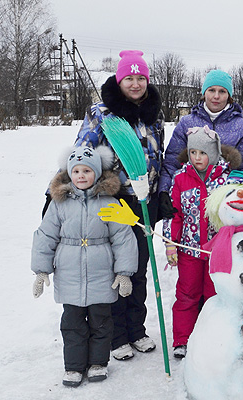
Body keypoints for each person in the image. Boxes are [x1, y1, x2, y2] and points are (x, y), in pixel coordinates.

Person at [73, 50, 164, 361]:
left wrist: (159, 193)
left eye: (141, 78)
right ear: (119, 80)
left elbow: (159, 155)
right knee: (116, 268)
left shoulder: (154, 113)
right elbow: (82, 154)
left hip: (145, 202)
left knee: (139, 268)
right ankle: (116, 335)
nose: (135, 84)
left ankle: (136, 329)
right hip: (112, 203)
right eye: (129, 78)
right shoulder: (102, 114)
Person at [31, 145, 138, 387]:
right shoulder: (59, 205)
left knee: (101, 322)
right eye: (76, 171)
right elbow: (46, 236)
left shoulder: (109, 202)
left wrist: (124, 273)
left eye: (87, 171)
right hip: (69, 275)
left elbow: (123, 238)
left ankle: (98, 362)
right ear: (69, 174)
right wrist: (41, 270)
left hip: (101, 274)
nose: (81, 176)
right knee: (72, 324)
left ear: (97, 174)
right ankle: (74, 367)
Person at [162, 126, 241, 359]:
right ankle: (183, 339)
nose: (197, 158)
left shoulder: (227, 180)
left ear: (214, 154)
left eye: (203, 153)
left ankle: (212, 337)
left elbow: (234, 214)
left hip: (217, 252)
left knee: (214, 296)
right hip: (189, 250)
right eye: (193, 152)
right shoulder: (180, 178)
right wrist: (170, 243)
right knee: (187, 294)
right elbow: (174, 214)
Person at [157, 69, 243, 220]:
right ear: (204, 93)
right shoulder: (187, 122)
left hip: (225, 206)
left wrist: (239, 196)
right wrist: (164, 191)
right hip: (189, 204)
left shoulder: (242, 126)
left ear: (229, 96)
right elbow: (172, 160)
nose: (216, 96)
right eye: (211, 90)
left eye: (222, 91)